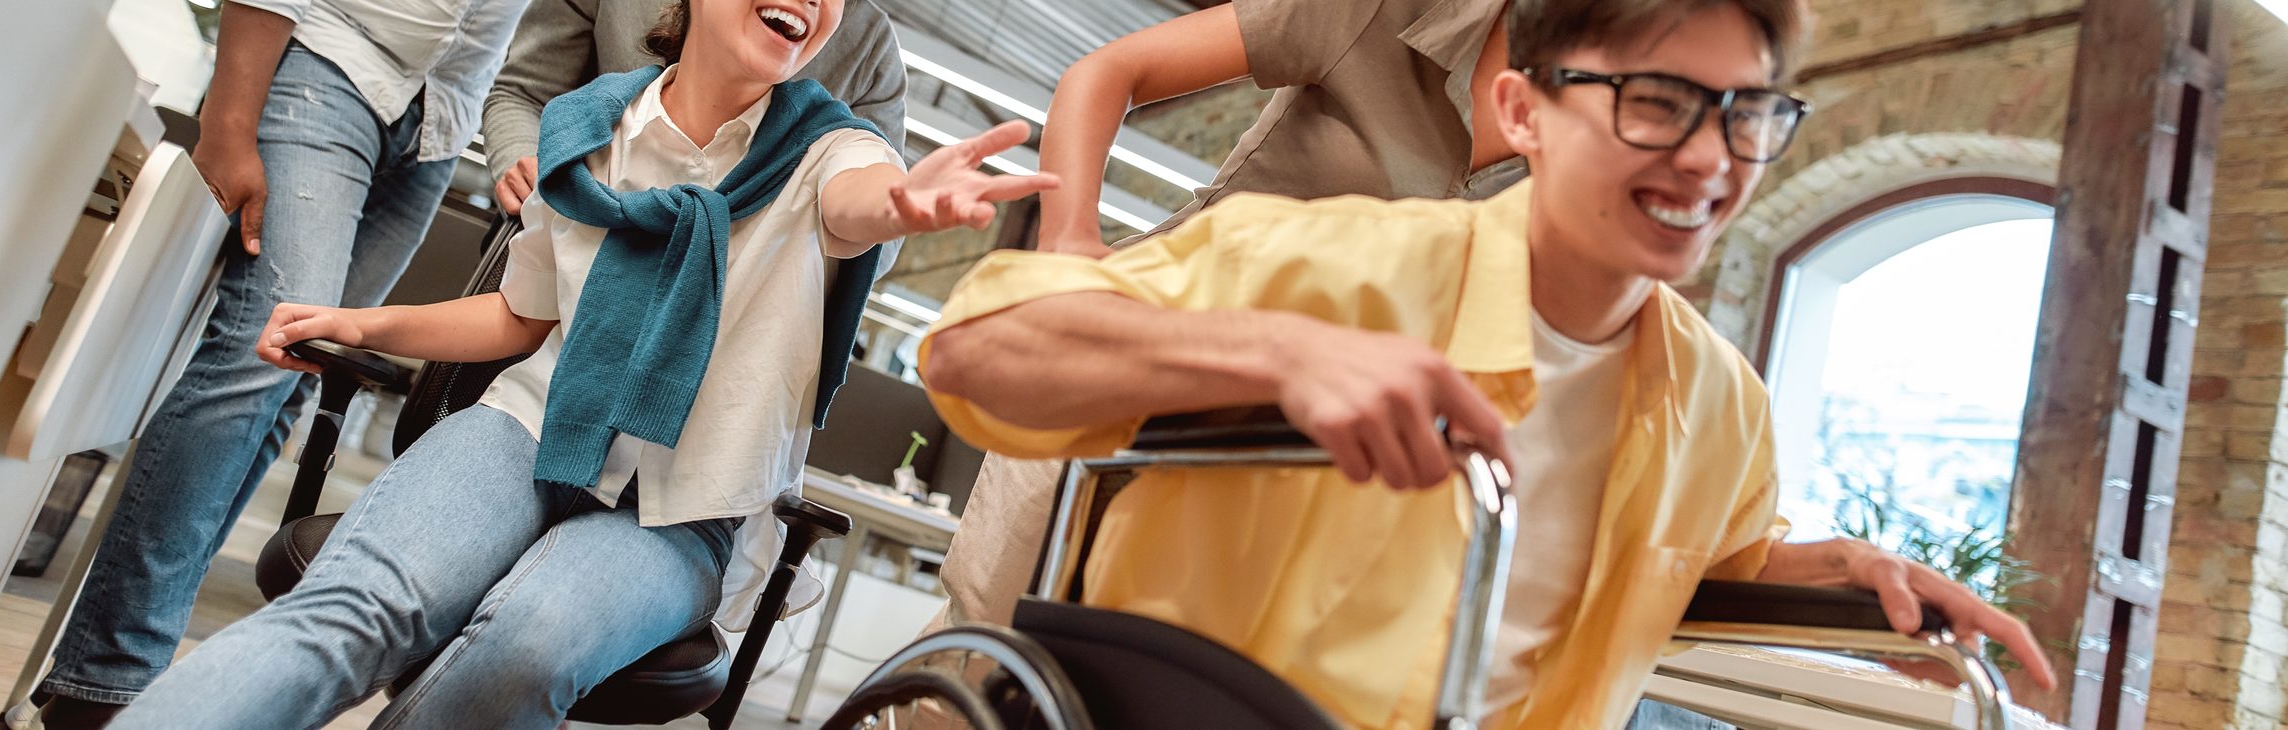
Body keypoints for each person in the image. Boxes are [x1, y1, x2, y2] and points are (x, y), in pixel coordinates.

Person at [915, 0, 2059, 727]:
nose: (1710, 157)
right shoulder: (1320, 259)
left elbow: (1679, 559)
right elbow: (978, 348)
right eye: (1656, 103)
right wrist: (1276, 348)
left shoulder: (1722, 410)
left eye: (1748, 115)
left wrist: (1839, 576)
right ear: (1522, 111)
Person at [103, 0, 1056, 724]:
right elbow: (521, 318)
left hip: (684, 508)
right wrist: (365, 325)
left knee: (527, 645)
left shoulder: (827, 150)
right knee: (355, 610)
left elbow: (860, 200)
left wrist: (904, 205)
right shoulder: (592, 131)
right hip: (526, 430)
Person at [929, 0, 1532, 635]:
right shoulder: (1377, 11)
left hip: (1287, 461)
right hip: (1137, 370)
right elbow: (1112, 68)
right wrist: (1067, 243)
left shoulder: (1596, 128)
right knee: (986, 648)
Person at [35, 0, 530, 725]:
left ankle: (132, 671)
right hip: (326, 65)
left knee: (303, 371)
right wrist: (230, 121)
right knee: (259, 356)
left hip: (439, 118)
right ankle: (105, 684)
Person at [480, 0, 907, 216]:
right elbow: (524, 93)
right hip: (555, 244)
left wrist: (888, 209)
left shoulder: (870, 53)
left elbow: (871, 214)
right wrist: (530, 172)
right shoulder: (605, 105)